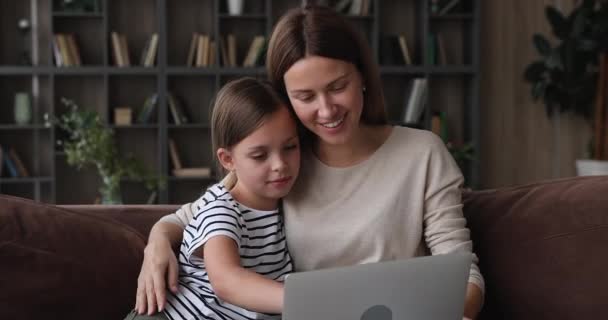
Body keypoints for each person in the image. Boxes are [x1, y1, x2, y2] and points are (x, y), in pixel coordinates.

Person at [134, 5, 484, 320]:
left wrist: (439, 311)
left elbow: (462, 273)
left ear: (361, 76)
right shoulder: (285, 162)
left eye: (337, 86)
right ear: (285, 99)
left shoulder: (421, 153)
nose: (327, 110)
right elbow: (195, 215)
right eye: (305, 96)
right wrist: (157, 243)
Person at [126, 77, 300, 320]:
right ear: (228, 160)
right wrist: (305, 300)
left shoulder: (286, 208)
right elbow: (227, 281)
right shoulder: (222, 209)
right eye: (260, 155)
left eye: (290, 147)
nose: (280, 165)